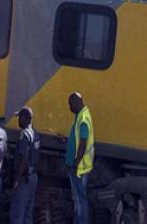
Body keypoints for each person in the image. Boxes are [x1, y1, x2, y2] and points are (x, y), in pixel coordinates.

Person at [65, 92, 94, 224]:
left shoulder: (82, 119)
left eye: (71, 105)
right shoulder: (81, 115)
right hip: (80, 166)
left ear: (77, 102)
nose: (69, 108)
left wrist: (76, 163)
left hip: (79, 168)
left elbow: (83, 142)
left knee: (79, 200)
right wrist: (67, 140)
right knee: (78, 199)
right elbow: (77, 139)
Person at [10, 107, 40, 224]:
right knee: (27, 214)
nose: (18, 120)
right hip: (33, 178)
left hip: (24, 179)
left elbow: (24, 158)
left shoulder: (25, 135)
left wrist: (17, 180)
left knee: (17, 213)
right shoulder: (36, 134)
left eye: (19, 118)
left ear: (24, 118)